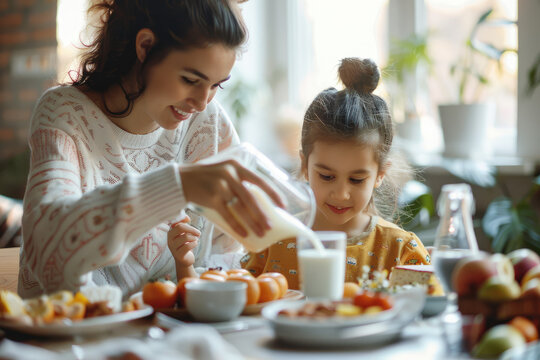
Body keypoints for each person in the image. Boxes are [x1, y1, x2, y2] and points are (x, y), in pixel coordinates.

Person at [19, 0, 284, 299]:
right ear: (145, 46)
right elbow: (46, 250)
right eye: (190, 80)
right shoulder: (65, 114)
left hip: (174, 334)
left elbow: (230, 255)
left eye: (216, 86)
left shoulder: (206, 123)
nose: (201, 102)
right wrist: (177, 186)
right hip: (77, 335)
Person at [240, 58, 431, 289]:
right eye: (327, 176)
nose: (341, 194)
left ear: (380, 174)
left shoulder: (400, 250)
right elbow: (242, 301)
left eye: (356, 180)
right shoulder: (273, 242)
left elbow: (428, 315)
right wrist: (185, 263)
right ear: (304, 166)